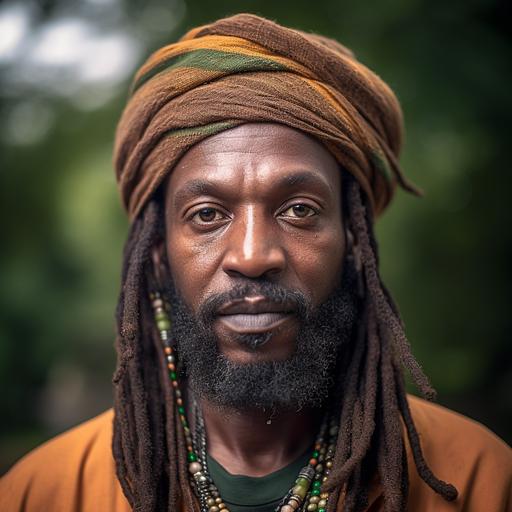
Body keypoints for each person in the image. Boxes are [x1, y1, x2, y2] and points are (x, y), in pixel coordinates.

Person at [1, 13, 510, 512]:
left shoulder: (480, 479)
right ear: (158, 250)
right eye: (207, 214)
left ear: (353, 239)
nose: (252, 256)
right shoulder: (43, 492)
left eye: (299, 210)